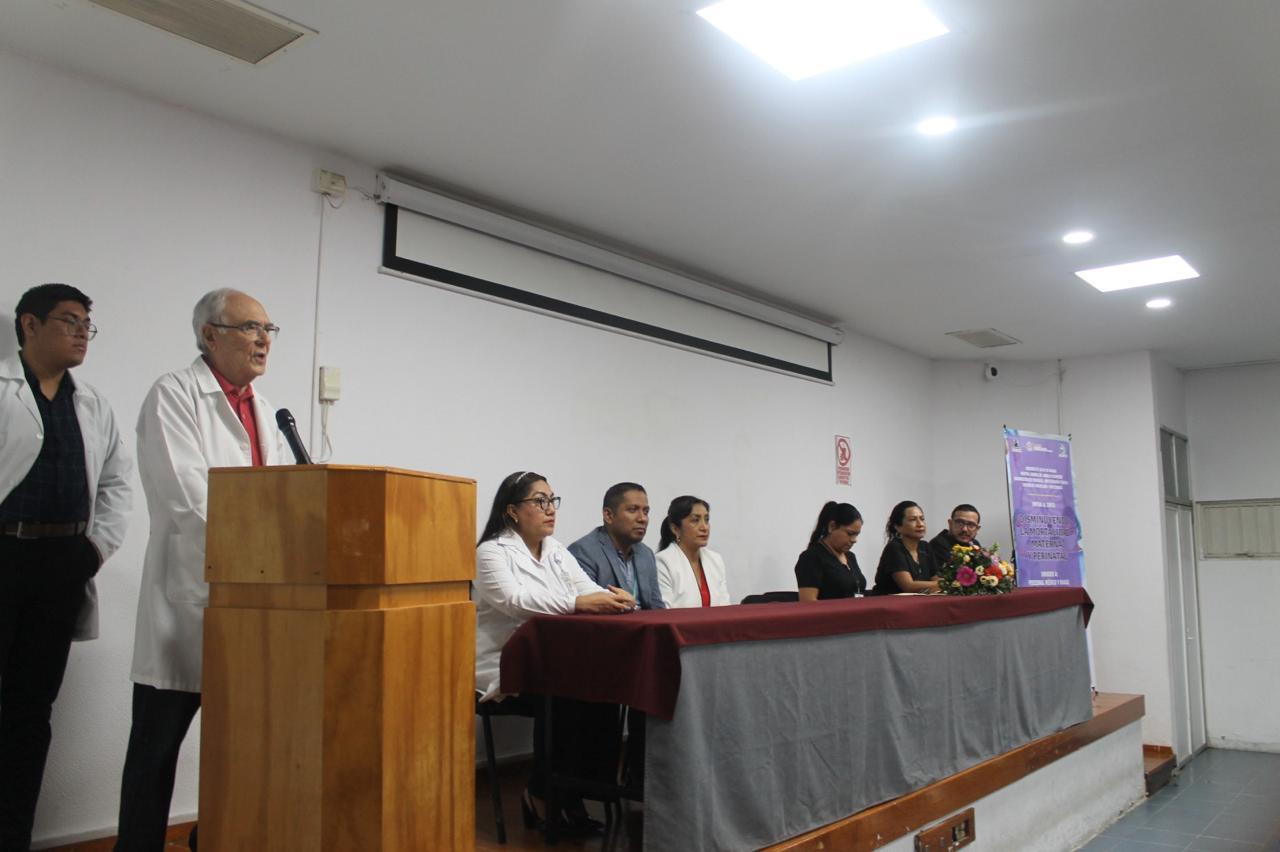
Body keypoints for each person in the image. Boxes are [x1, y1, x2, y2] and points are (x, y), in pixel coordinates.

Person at [115, 289, 286, 852]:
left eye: (268, 328)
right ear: (210, 335)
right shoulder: (174, 393)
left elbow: (286, 498)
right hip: (186, 603)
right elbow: (189, 498)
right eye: (249, 327)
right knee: (156, 750)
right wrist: (264, 550)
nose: (263, 338)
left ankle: (214, 839)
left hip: (254, 607)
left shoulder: (266, 409)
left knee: (245, 746)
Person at [0, 284, 132, 852]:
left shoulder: (92, 403)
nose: (82, 333)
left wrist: (92, 550)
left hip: (61, 566)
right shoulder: (4, 389)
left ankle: (13, 837)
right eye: (69, 321)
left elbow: (117, 486)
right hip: (4, 554)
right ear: (29, 325)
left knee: (31, 712)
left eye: (87, 324)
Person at [473, 471, 635, 834]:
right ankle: (543, 794)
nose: (550, 509)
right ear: (512, 510)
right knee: (565, 697)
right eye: (540, 501)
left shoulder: (556, 550)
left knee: (601, 692)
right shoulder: (490, 552)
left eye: (552, 501)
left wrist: (615, 597)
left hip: (553, 663)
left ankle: (578, 792)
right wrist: (580, 602)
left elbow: (589, 589)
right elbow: (515, 601)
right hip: (504, 663)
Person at [568, 482, 665, 610]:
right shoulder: (584, 552)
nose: (642, 519)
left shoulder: (646, 553)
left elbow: (657, 608)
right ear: (608, 515)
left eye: (646, 511)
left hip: (645, 627)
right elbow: (589, 610)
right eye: (632, 510)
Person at [655, 495, 730, 607]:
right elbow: (665, 611)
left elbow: (725, 607)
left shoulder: (715, 560)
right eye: (695, 520)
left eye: (707, 520)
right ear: (675, 528)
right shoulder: (663, 561)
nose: (704, 527)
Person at [794, 501, 866, 601]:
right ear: (832, 527)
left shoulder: (850, 557)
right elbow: (808, 603)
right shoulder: (811, 557)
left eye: (856, 535)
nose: (854, 540)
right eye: (850, 534)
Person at [870, 500, 940, 595]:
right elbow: (908, 586)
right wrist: (944, 584)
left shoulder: (925, 547)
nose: (920, 524)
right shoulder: (894, 548)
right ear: (898, 527)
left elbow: (936, 579)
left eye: (922, 519)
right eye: (913, 520)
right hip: (889, 605)